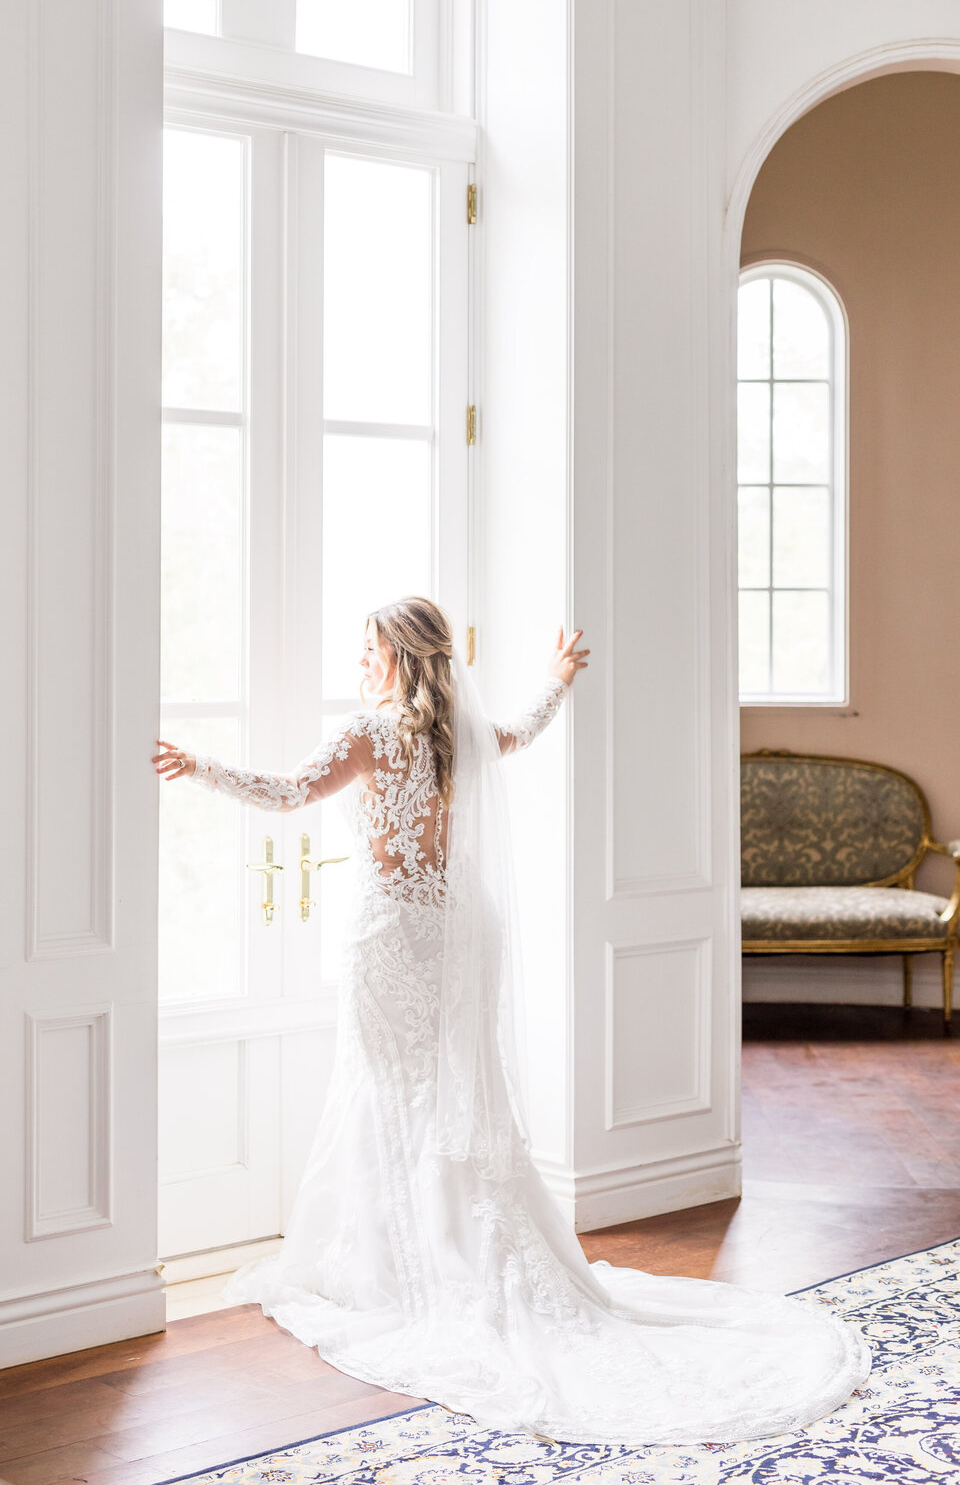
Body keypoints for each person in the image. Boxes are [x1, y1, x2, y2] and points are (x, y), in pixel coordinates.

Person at [154, 597, 869, 1445]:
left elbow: (286, 795)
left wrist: (196, 765)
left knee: (391, 1095)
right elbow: (524, 730)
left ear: (399, 658)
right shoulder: (462, 733)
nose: (360, 661)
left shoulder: (368, 735)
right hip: (464, 930)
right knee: (462, 1090)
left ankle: (403, 1267)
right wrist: (559, 679)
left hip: (391, 936)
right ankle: (462, 1246)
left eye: (370, 649)